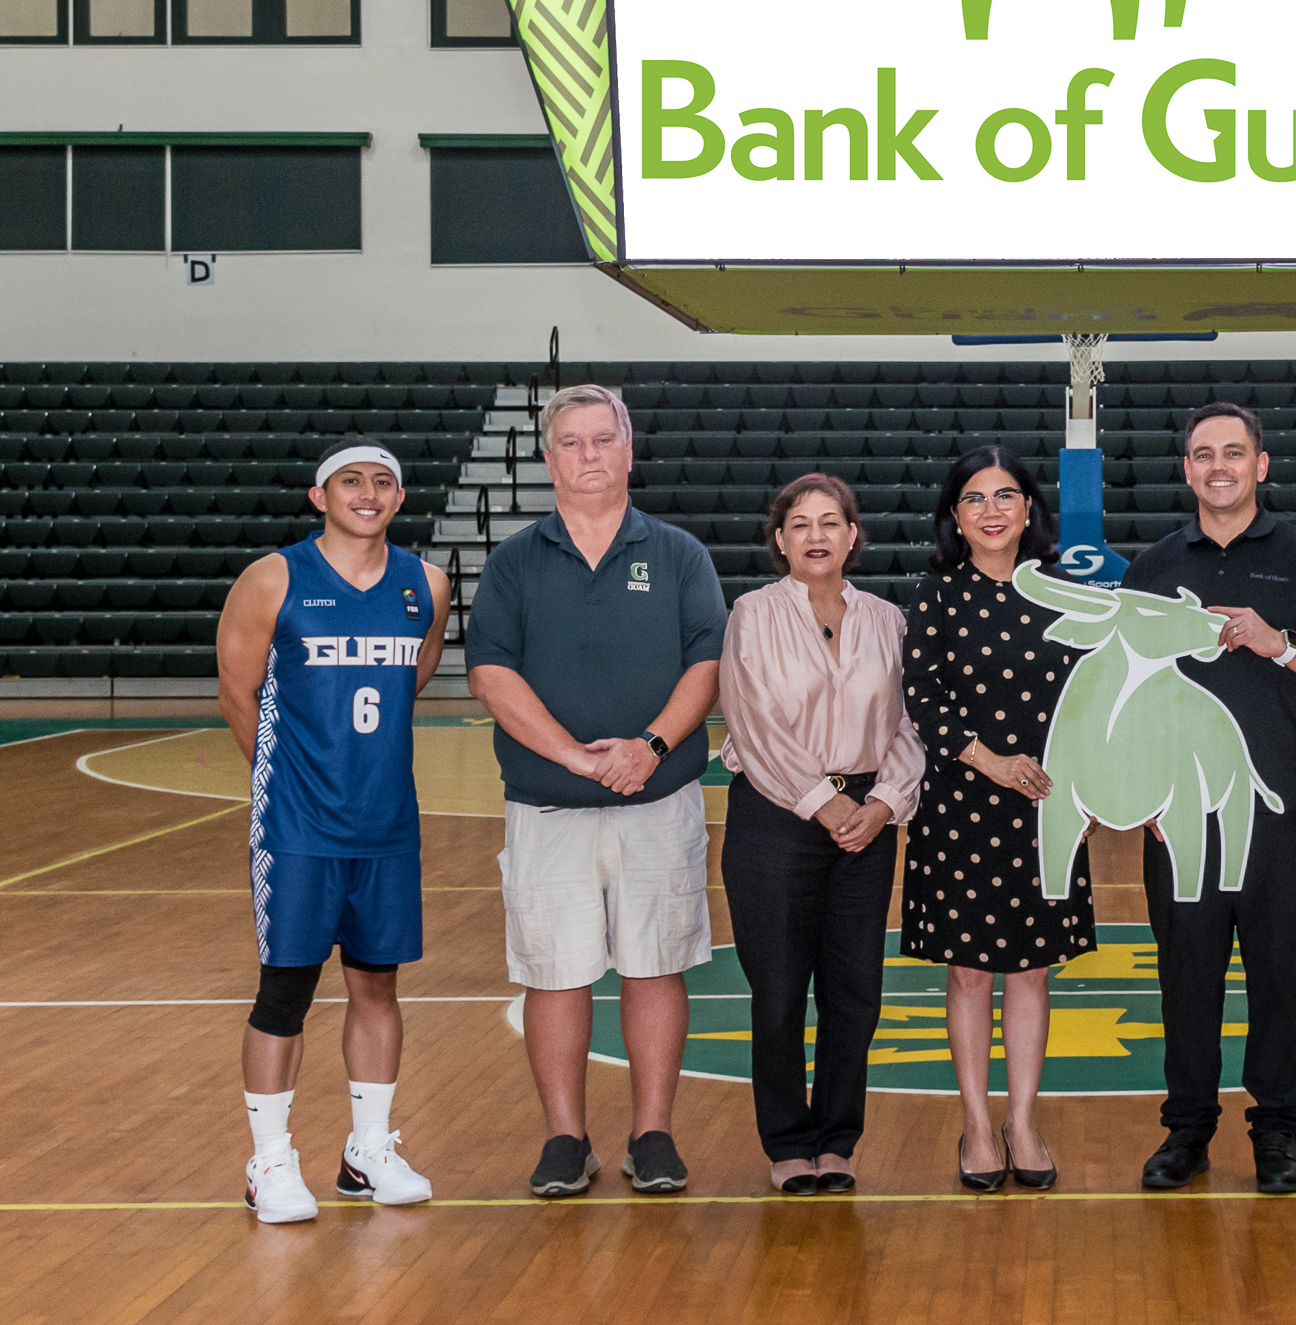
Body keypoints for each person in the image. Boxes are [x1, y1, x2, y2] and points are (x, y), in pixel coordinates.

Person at [465, 382, 726, 1199]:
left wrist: (649, 746)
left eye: (602, 441)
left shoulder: (678, 552)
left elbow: (707, 664)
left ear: (628, 450)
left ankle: (652, 1133)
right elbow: (490, 674)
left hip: (660, 798)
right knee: (555, 971)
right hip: (550, 803)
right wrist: (579, 759)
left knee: (655, 967)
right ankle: (565, 1139)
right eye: (570, 443)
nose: (588, 456)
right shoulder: (513, 561)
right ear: (548, 457)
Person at [1121, 403, 1296, 1196]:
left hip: (1285, 814)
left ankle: (1276, 1133)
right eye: (1204, 454)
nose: (1220, 466)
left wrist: (1284, 644)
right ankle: (1187, 1132)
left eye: (1234, 452)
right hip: (1183, 819)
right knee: (1187, 981)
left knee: (1279, 979)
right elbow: (1126, 697)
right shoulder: (1155, 567)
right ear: (1188, 469)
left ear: (1261, 465)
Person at [215, 435, 449, 1224]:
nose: (369, 492)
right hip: (299, 826)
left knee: (377, 984)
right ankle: (270, 1162)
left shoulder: (428, 584)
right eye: (351, 480)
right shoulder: (274, 577)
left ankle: (368, 1150)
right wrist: (289, 779)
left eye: (384, 481)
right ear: (320, 496)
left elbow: (411, 678)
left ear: (399, 499)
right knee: (285, 991)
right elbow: (239, 690)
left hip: (386, 823)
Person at [718, 475, 925, 1196]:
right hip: (776, 815)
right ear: (779, 540)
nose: (815, 535)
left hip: (868, 818)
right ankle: (787, 1142)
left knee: (854, 990)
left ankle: (837, 1140)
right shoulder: (752, 614)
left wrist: (887, 802)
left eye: (830, 522)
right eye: (799, 523)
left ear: (852, 536)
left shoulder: (888, 620)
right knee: (777, 991)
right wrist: (823, 804)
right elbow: (753, 723)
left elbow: (908, 724)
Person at [901, 444, 1095, 1192]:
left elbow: (1091, 698)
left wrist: (1083, 788)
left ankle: (1022, 1121)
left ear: (1029, 510)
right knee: (970, 974)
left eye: (1005, 496)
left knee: (1033, 975)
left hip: (1046, 807)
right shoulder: (938, 593)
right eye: (975, 499)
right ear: (955, 515)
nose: (991, 511)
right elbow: (923, 697)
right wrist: (993, 763)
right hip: (963, 806)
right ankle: (977, 1125)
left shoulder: (1069, 592)